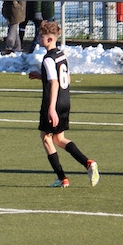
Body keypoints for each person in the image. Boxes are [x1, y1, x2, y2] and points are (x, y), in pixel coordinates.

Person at [27, 21, 99, 188]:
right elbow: (66, 78)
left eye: (41, 36)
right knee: (59, 138)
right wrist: (40, 76)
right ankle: (88, 163)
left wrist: (51, 108)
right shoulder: (61, 54)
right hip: (65, 100)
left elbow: (54, 83)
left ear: (50, 39)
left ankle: (62, 179)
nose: (38, 38)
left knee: (46, 137)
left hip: (54, 102)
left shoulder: (48, 59)